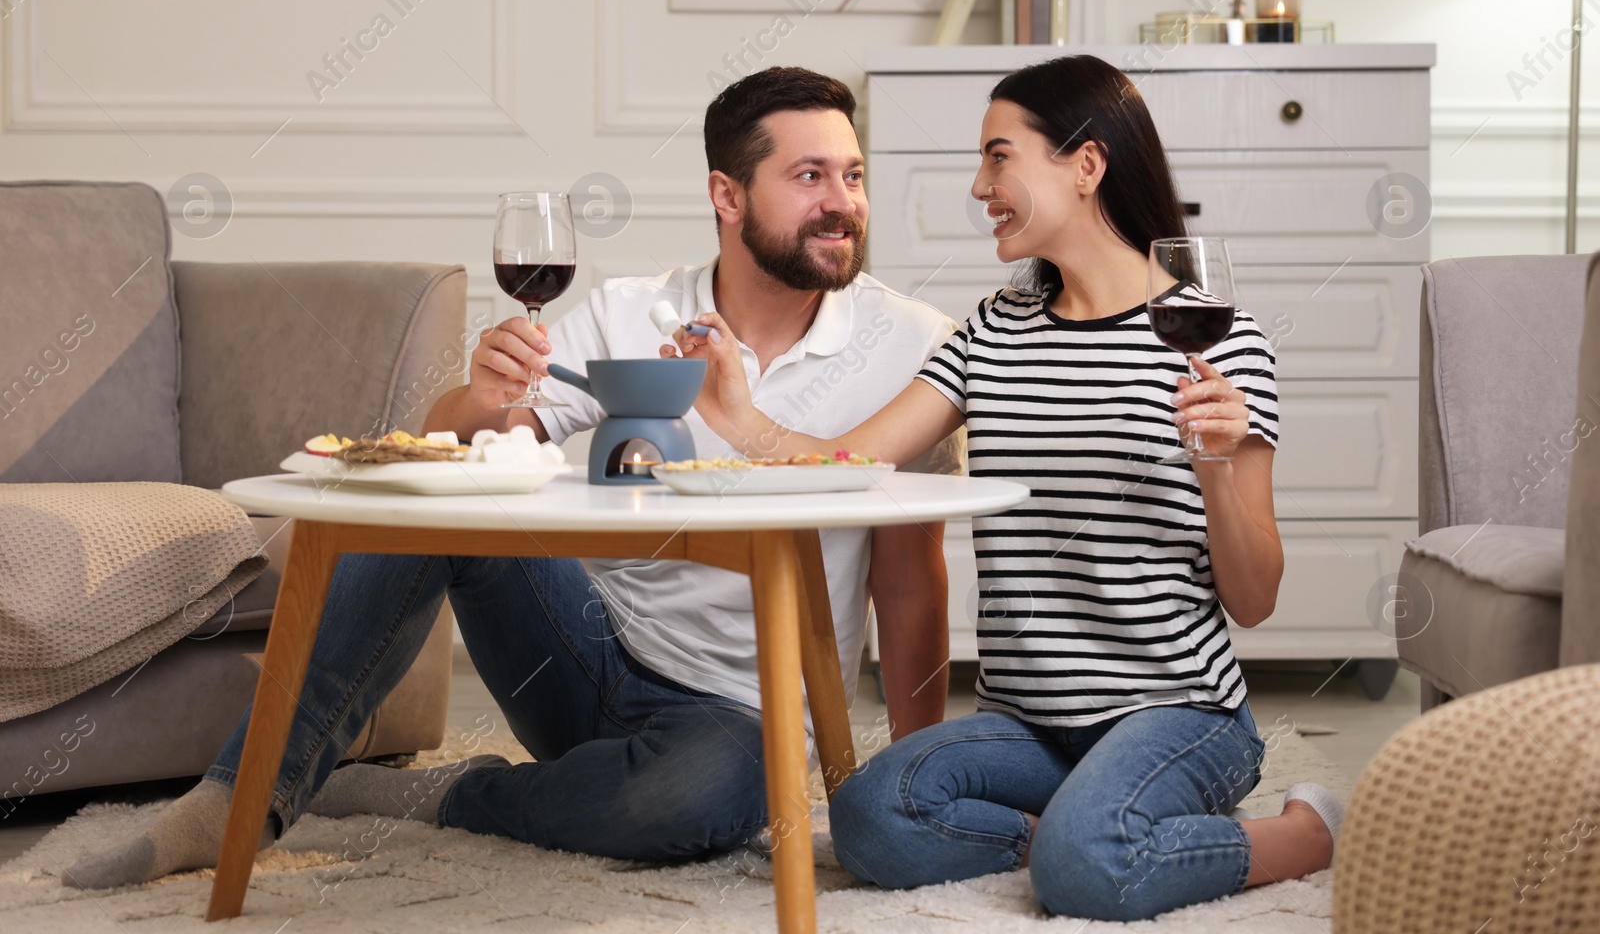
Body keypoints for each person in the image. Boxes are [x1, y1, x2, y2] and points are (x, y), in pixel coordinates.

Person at [61, 66, 962, 889]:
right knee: (423, 504)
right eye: (810, 177)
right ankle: (235, 798)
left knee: (691, 807)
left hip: (736, 712)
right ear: (727, 196)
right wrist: (482, 396)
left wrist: (907, 785)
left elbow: (909, 572)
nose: (842, 202)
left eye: (851, 174)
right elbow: (458, 443)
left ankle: (446, 797)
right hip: (585, 649)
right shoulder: (629, 311)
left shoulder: (909, 342)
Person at [674, 54, 1342, 922]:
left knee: (1084, 874)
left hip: (1181, 713)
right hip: (1029, 727)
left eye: (999, 157)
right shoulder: (992, 332)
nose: (981, 185)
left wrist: (1216, 463)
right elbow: (854, 467)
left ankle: (1301, 834)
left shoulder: (1221, 345)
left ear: (1087, 164)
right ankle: (1087, 824)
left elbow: (1253, 599)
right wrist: (737, 417)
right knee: (868, 818)